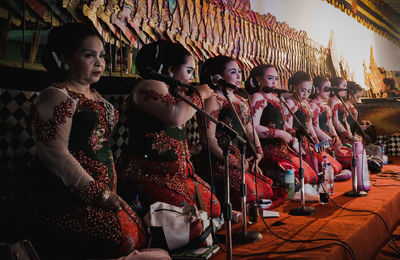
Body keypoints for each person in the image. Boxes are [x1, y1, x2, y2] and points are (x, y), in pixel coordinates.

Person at [29, 23, 147, 259]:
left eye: (101, 56)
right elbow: (55, 154)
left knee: (140, 231)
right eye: (88, 55)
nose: (99, 62)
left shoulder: (96, 96)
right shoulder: (56, 95)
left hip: (103, 196)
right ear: (65, 58)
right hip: (67, 201)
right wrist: (98, 194)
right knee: (120, 236)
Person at [117, 40, 221, 219]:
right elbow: (174, 117)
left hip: (175, 175)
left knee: (212, 208)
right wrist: (199, 94)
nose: (191, 78)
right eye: (188, 71)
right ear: (170, 70)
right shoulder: (150, 84)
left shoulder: (170, 90)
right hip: (150, 175)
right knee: (189, 215)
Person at [195, 57, 286, 210]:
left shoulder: (240, 99)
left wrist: (259, 152)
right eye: (233, 72)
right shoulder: (213, 99)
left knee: (266, 190)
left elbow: (249, 129)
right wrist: (232, 161)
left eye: (239, 72)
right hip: (219, 159)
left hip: (240, 158)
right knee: (250, 193)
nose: (239, 76)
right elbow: (207, 138)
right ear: (218, 77)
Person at [246, 65, 318, 185]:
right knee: (298, 179)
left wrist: (292, 136)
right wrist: (279, 133)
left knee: (310, 176)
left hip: (283, 147)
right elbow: (252, 127)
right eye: (270, 78)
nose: (274, 82)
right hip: (267, 149)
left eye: (276, 78)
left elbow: (284, 124)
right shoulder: (258, 97)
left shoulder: (276, 98)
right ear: (258, 80)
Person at [285, 71, 342, 177]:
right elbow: (287, 127)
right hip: (296, 144)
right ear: (293, 87)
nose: (305, 94)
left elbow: (310, 126)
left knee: (335, 166)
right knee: (322, 169)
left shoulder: (306, 103)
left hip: (308, 143)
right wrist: (297, 146)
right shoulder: (290, 103)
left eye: (308, 91)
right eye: (302, 90)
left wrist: (316, 143)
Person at [309, 76, 352, 170]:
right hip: (320, 141)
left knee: (351, 155)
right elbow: (314, 127)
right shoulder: (313, 105)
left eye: (329, 89)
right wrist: (329, 139)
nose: (329, 92)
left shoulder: (326, 106)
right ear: (317, 89)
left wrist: (335, 137)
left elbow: (331, 124)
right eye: (326, 89)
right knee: (343, 162)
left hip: (329, 139)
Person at [328, 77, 356, 144]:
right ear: (335, 87)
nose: (346, 89)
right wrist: (347, 134)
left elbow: (344, 120)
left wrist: (350, 133)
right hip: (338, 133)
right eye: (344, 86)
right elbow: (335, 121)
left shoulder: (339, 101)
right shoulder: (333, 101)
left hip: (344, 131)